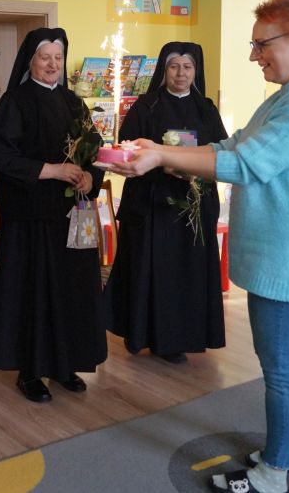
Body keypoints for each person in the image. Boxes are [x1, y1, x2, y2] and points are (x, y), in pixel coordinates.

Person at [109, 0, 289, 493]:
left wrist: (163, 158)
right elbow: (230, 144)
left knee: (281, 372)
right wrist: (159, 148)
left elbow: (247, 164)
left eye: (262, 45)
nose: (253, 56)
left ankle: (274, 472)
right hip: (283, 258)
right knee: (288, 367)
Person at [0, 27, 107, 403]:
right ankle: (30, 370)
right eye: (45, 57)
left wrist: (90, 176)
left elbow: (95, 153)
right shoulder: (14, 102)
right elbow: (2, 159)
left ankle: (65, 364)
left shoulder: (75, 104)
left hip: (71, 216)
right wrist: (53, 170)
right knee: (34, 294)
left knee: (70, 292)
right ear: (31, 61)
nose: (53, 65)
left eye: (58, 58)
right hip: (31, 219)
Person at [105, 42, 227, 364]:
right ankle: (145, 334)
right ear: (164, 70)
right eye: (174, 66)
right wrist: (161, 164)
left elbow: (221, 152)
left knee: (188, 275)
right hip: (154, 205)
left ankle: (183, 337)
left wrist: (192, 169)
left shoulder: (206, 109)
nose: (181, 73)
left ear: (196, 71)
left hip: (193, 205)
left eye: (188, 67)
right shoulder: (146, 107)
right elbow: (127, 151)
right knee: (153, 272)